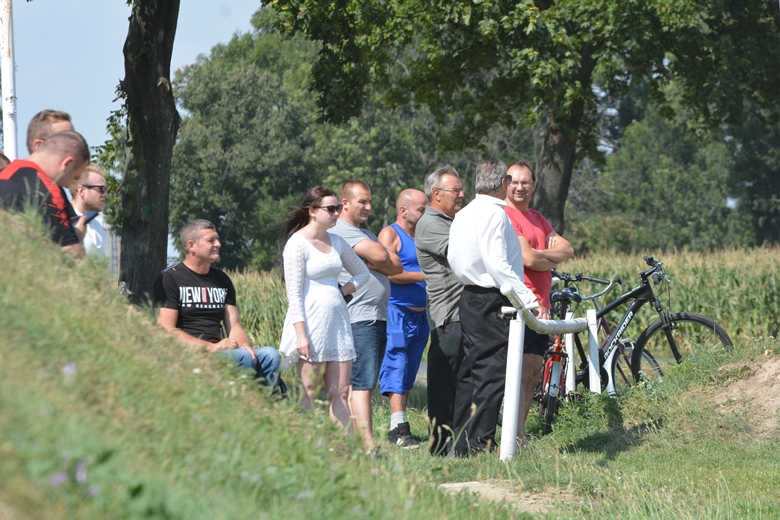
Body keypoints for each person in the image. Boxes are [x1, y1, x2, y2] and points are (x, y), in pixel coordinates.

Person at [447, 158, 544, 457]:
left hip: (470, 296)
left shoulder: (463, 214)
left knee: (470, 373)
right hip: (491, 299)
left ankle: (461, 443)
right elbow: (498, 264)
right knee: (492, 373)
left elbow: (454, 258)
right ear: (502, 183)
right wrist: (529, 300)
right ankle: (479, 444)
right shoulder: (494, 215)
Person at [153, 219, 283, 393]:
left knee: (270, 355)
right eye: (211, 240)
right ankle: (242, 406)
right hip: (191, 353)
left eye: (218, 239)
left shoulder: (222, 280)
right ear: (192, 246)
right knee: (242, 357)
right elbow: (166, 328)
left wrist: (244, 345)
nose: (218, 244)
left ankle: (266, 407)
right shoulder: (170, 278)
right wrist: (211, 347)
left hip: (223, 351)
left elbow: (234, 324)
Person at [278, 187, 370, 429]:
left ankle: (346, 451)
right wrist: (301, 335)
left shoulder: (338, 241)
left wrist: (340, 291)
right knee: (309, 390)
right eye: (331, 209)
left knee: (340, 392)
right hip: (310, 323)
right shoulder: (297, 243)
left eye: (338, 208)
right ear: (312, 211)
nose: (336, 213)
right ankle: (304, 444)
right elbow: (294, 294)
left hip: (338, 323)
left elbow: (363, 273)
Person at [504, 160, 574, 444]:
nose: (520, 187)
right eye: (514, 181)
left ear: (533, 185)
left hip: (542, 303)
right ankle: (514, 436)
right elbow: (527, 259)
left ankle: (520, 434)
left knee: (534, 372)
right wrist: (545, 255)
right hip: (524, 302)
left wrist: (540, 254)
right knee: (520, 372)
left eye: (525, 182)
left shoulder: (536, 216)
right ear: (505, 184)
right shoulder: (507, 215)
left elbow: (567, 248)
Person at [331, 180, 402, 452]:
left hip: (376, 316)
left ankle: (349, 440)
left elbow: (395, 265)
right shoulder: (341, 231)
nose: (369, 207)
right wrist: (380, 259)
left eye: (370, 201)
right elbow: (381, 255)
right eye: (362, 201)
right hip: (359, 316)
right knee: (362, 383)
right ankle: (367, 444)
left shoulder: (368, 233)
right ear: (345, 203)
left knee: (360, 381)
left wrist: (379, 260)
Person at [414, 166, 466, 455]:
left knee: (461, 381)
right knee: (444, 382)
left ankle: (462, 442)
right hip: (447, 315)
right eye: (455, 190)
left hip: (462, 314)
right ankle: (440, 445)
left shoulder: (451, 220)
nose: (461, 194)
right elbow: (462, 252)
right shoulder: (431, 223)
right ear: (436, 194)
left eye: (461, 189)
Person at [377, 188, 429, 449]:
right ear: (404, 210)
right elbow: (389, 273)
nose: (425, 213)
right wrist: (426, 275)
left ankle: (398, 427)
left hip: (421, 317)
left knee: (409, 372)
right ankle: (399, 427)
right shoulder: (390, 234)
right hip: (397, 312)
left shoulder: (422, 236)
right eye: (421, 209)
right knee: (396, 364)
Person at [0, 130, 90, 255]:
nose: (69, 185)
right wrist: (77, 235)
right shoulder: (49, 190)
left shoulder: (4, 173)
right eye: (75, 177)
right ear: (67, 163)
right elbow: (72, 255)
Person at [70, 164, 108, 258]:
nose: (105, 194)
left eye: (106, 190)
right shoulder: (63, 221)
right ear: (82, 191)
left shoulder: (97, 225)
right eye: (101, 189)